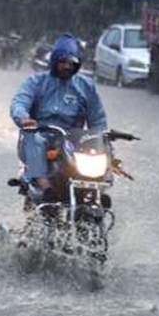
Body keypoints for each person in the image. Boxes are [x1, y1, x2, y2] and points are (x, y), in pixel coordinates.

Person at [9, 34, 107, 201]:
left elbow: (97, 119)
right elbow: (20, 101)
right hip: (41, 134)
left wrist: (104, 140)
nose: (67, 67)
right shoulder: (36, 82)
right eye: (62, 62)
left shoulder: (86, 86)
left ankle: (97, 194)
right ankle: (45, 188)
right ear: (54, 62)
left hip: (73, 140)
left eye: (71, 63)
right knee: (34, 140)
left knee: (100, 152)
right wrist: (23, 118)